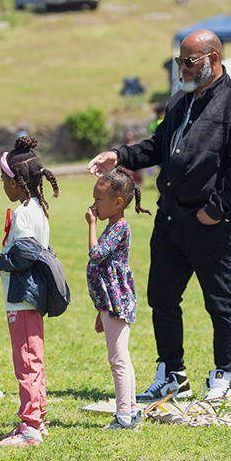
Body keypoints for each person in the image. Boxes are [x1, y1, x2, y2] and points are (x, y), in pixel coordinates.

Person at [87, 29, 231, 402]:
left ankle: (223, 375)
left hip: (209, 223)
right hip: (169, 220)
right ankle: (172, 373)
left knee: (218, 299)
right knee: (162, 297)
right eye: (180, 61)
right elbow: (156, 147)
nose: (182, 68)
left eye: (189, 61)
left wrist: (214, 212)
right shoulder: (180, 103)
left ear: (212, 59)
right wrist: (119, 156)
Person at [0, 136, 61, 446]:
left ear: (17, 183)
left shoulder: (26, 212)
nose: (2, 184)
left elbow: (24, 254)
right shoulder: (35, 207)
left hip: (24, 299)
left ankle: (30, 429)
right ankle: (36, 418)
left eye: (3, 179)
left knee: (27, 362)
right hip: (28, 298)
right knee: (32, 360)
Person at [85, 168, 150, 430]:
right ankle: (130, 412)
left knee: (118, 359)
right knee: (120, 357)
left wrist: (91, 225)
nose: (94, 205)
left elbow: (97, 255)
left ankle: (124, 416)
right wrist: (101, 310)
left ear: (118, 202)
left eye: (99, 200)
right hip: (111, 302)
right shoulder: (113, 225)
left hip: (117, 300)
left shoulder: (120, 227)